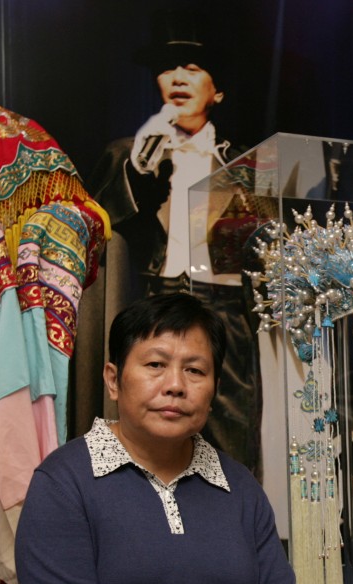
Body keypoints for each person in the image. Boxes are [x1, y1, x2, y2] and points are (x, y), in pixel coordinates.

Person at [12, 293, 308, 584]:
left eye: (195, 371)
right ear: (114, 380)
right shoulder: (64, 483)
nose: (175, 386)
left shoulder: (239, 487)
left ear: (214, 388)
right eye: (155, 365)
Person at [77, 8, 263, 477]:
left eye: (194, 68)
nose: (179, 78)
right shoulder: (128, 155)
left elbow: (270, 249)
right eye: (168, 68)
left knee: (232, 437)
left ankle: (230, 537)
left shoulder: (249, 163)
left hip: (226, 308)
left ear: (217, 90)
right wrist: (144, 164)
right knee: (152, 432)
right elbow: (104, 228)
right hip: (155, 300)